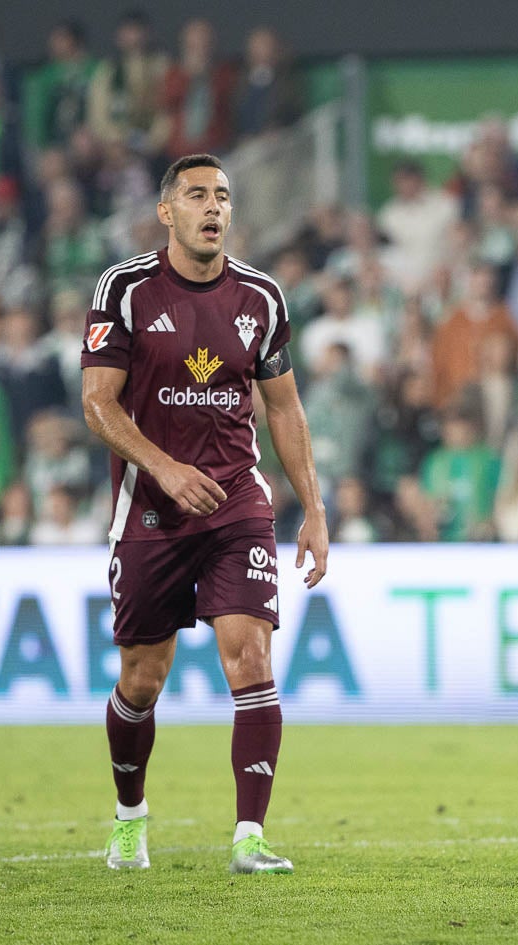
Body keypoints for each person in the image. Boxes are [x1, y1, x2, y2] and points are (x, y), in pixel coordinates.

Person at [81, 153, 329, 875]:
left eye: (221, 195)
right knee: (142, 678)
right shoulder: (123, 288)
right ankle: (130, 818)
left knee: (250, 656)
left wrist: (313, 507)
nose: (213, 206)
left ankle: (249, 837)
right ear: (167, 212)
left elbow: (283, 407)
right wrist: (163, 466)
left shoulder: (261, 296)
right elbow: (98, 402)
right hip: (151, 508)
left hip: (236, 505)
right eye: (196, 195)